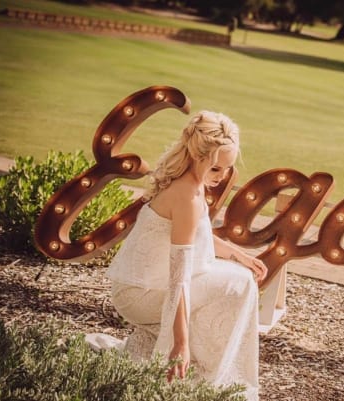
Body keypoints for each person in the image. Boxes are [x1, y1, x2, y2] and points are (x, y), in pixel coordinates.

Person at [105, 110, 268, 400]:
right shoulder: (187, 197)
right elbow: (179, 278)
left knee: (239, 275)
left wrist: (238, 254)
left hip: (143, 285)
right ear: (198, 156)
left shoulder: (187, 184)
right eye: (216, 169)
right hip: (139, 293)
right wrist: (180, 343)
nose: (222, 176)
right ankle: (206, 375)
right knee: (240, 285)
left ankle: (203, 364)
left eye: (228, 169)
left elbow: (196, 236)